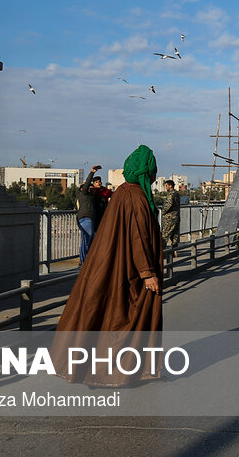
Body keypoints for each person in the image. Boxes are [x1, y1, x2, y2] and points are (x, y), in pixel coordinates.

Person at [52, 145, 163, 385]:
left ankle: (103, 369)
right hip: (129, 270)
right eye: (153, 171)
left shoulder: (123, 192)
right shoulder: (136, 197)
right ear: (147, 173)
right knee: (124, 319)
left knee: (107, 315)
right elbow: (138, 237)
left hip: (114, 265)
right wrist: (147, 273)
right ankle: (115, 372)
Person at [75, 165, 102, 263]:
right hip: (85, 218)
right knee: (86, 239)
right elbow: (87, 184)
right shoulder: (84, 194)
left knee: (89, 239)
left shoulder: (91, 196)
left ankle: (86, 260)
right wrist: (92, 172)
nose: (91, 189)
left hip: (90, 219)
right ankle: (84, 261)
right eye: (90, 188)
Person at [159, 180, 180, 248]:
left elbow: (169, 204)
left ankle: (162, 251)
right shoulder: (176, 194)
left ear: (170, 186)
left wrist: (163, 212)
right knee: (175, 235)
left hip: (169, 218)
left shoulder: (171, 194)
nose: (166, 187)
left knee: (165, 235)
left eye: (166, 186)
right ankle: (174, 250)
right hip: (176, 216)